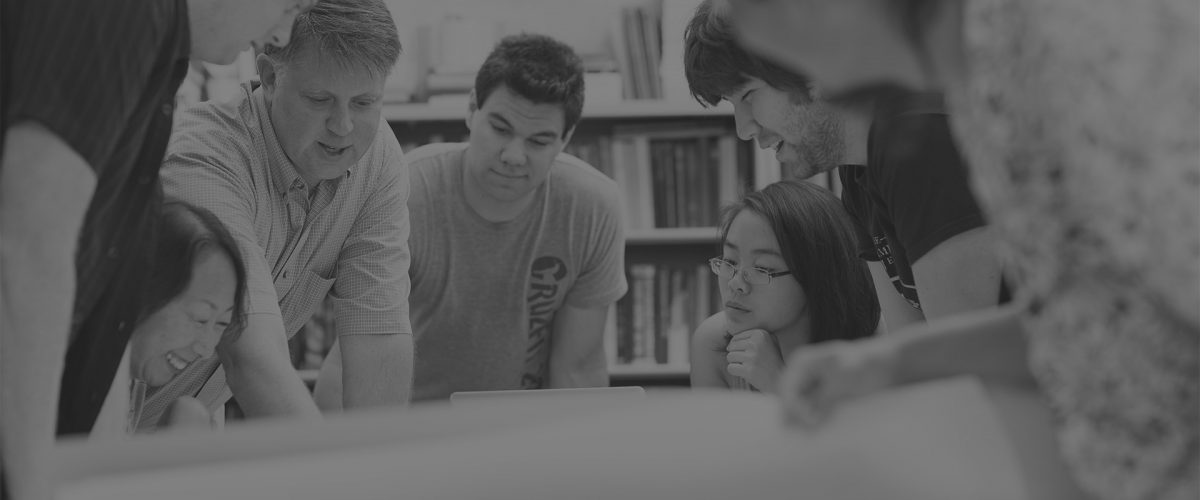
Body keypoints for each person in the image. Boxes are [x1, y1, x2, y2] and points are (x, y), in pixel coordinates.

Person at [723, 0, 1200, 498]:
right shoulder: (975, 94)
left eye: (796, 58)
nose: (815, 88)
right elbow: (1071, 321)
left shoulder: (1071, 56)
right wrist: (888, 363)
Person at [0, 0, 310, 498]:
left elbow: (101, 295)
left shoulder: (161, 63)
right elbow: (31, 245)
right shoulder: (120, 15)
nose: (284, 33)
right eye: (290, 5)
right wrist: (34, 485)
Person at [314, 33, 627, 405]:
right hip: (412, 422)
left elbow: (578, 368)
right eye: (501, 129)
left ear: (567, 137)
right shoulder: (405, 192)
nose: (513, 156)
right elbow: (355, 360)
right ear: (471, 109)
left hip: (525, 427)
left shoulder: (593, 208)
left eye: (539, 141)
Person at [683, 0, 1005, 334]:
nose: (743, 128)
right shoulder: (857, 170)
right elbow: (911, 339)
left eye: (748, 95)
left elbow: (968, 347)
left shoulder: (918, 142)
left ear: (808, 66)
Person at [159, 0, 412, 420]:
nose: (343, 126)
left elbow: (379, 333)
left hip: (187, 425)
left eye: (364, 102)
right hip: (91, 427)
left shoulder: (377, 158)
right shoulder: (205, 159)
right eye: (320, 99)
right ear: (271, 76)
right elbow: (251, 355)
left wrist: (381, 458)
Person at [691, 181, 879, 393]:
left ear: (817, 277)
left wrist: (778, 383)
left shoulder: (876, 348)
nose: (735, 284)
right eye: (730, 261)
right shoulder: (713, 343)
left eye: (761, 269)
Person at [89, 202, 249, 434]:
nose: (206, 350)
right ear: (142, 290)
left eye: (222, 324)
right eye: (200, 318)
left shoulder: (131, 382)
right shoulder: (90, 379)